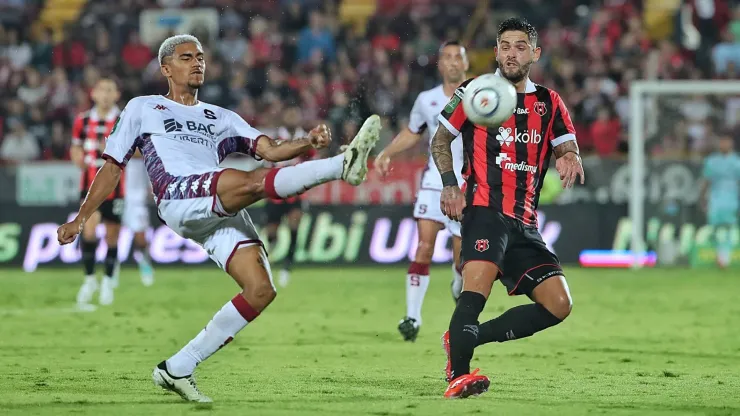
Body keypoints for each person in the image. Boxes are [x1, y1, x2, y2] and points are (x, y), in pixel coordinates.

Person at [56, 34, 381, 403]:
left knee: (261, 290)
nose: (197, 63)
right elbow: (112, 167)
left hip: (214, 203)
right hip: (177, 194)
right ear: (166, 68)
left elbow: (270, 150)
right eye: (185, 57)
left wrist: (307, 142)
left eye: (200, 57)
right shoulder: (143, 107)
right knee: (250, 183)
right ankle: (343, 165)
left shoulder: (220, 117)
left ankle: (178, 367)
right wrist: (82, 218)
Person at [430, 18, 585, 399]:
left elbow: (567, 145)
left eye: (519, 46)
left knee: (559, 303)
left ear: (535, 53)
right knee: (474, 293)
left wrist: (570, 157)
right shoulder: (474, 91)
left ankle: (465, 338)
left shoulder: (548, 102)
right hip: (484, 211)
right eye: (504, 46)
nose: (510, 53)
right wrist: (450, 186)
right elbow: (439, 142)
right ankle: (458, 376)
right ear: (496, 51)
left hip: (525, 221)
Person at [374, 40, 469, 342]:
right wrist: (387, 152)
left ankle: (458, 289)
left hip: (467, 184)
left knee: (462, 261)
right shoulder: (426, 99)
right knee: (424, 247)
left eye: (458, 58)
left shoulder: (481, 96)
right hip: (434, 181)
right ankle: (412, 317)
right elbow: (413, 132)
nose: (453, 62)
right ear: (440, 65)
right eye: (448, 58)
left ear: (466, 64)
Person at [69, 78, 123, 309]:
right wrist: (77, 159)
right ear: (93, 94)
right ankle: (90, 280)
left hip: (116, 187)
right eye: (102, 90)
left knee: (112, 237)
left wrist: (113, 151)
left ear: (117, 95)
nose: (105, 94)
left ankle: (108, 281)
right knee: (89, 231)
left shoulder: (123, 121)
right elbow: (74, 147)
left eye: (109, 90)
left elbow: (140, 150)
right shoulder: (82, 120)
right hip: (89, 185)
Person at [264, 103, 314, 287]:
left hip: (296, 192)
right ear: (284, 117)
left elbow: (312, 160)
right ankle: (270, 255)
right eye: (290, 115)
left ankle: (287, 267)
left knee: (294, 225)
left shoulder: (307, 138)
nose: (292, 118)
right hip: (276, 191)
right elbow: (268, 159)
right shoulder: (276, 138)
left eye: (295, 114)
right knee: (272, 232)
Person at [700, 133, 740, 268]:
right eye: (722, 142)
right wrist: (702, 197)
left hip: (731, 199)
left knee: (729, 227)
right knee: (715, 229)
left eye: (726, 142)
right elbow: (706, 180)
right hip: (715, 199)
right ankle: (720, 253)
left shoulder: (736, 161)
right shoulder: (711, 161)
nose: (724, 145)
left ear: (731, 144)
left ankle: (725, 255)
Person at [123, 150, 155, 286]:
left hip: (136, 197)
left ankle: (145, 264)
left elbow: (140, 151)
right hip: (117, 195)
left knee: (140, 237)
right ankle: (112, 273)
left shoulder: (136, 140)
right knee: (111, 235)